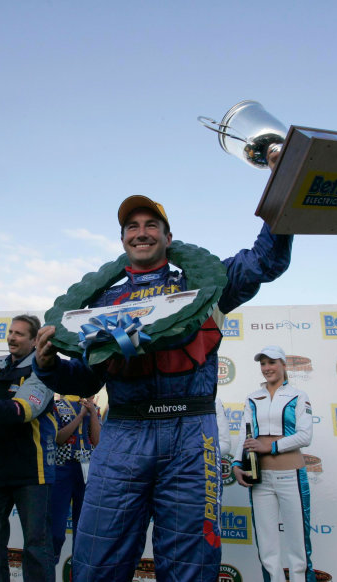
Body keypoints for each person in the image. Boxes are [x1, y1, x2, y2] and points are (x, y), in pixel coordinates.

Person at [35, 193, 293, 582]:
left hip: (191, 436)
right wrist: (49, 366)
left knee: (191, 565)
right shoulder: (101, 304)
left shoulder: (208, 285)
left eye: (150, 225)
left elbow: (265, 260)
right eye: (132, 227)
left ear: (168, 237)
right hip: (123, 434)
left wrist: (284, 186)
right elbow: (87, 379)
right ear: (123, 241)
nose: (141, 233)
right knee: (95, 562)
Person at [0, 314, 99, 582]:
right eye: (10, 332)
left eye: (19, 334)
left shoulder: (43, 371)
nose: (11, 337)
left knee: (36, 545)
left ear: (34, 341)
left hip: (33, 471)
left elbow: (23, 411)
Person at [232, 345, 315, 582]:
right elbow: (244, 435)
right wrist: (237, 464)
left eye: (272, 363)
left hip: (291, 476)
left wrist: (270, 446)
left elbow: (305, 436)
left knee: (299, 544)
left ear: (283, 365)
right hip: (261, 480)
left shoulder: (298, 396)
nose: (267, 368)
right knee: (267, 547)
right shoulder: (252, 397)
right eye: (263, 364)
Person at [51, 395, 101, 564]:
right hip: (63, 468)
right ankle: (51, 564)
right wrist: (80, 416)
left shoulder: (93, 408)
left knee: (83, 528)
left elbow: (98, 441)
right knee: (56, 529)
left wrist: (92, 413)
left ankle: (79, 570)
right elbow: (58, 438)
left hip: (86, 471)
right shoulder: (58, 406)